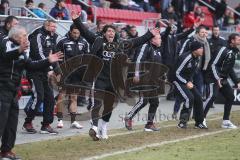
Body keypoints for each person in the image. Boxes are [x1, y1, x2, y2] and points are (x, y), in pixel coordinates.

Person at [71, 11, 160, 140]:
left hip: (114, 80)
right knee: (97, 103)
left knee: (109, 106)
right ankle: (95, 127)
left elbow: (137, 41)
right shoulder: (97, 41)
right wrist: (76, 20)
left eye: (112, 31)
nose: (110, 33)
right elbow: (84, 32)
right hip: (99, 77)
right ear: (104, 33)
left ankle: (103, 127)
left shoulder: (120, 44)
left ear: (115, 34)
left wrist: (150, 34)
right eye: (108, 31)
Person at [0, 25, 63, 160]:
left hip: (13, 91)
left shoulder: (23, 51)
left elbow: (31, 65)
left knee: (11, 123)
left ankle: (6, 151)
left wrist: (48, 61)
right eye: (23, 35)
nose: (26, 37)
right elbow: (5, 56)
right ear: (15, 36)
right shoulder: (5, 42)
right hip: (2, 89)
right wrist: (19, 50)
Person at [23, 20, 60, 134]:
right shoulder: (38, 35)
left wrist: (58, 71)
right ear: (47, 26)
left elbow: (53, 55)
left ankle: (46, 125)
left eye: (55, 27)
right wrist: (49, 68)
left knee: (50, 99)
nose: (55, 29)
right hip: (34, 71)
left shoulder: (51, 37)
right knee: (39, 97)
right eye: (53, 26)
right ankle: (28, 122)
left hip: (44, 72)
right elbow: (39, 54)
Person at [124, 33, 163, 131]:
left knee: (155, 102)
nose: (160, 40)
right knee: (143, 101)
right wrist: (136, 74)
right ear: (152, 40)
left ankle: (149, 124)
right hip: (144, 78)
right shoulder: (145, 46)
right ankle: (129, 117)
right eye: (159, 38)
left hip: (154, 80)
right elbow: (138, 61)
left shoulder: (157, 50)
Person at [203, 33, 240, 129]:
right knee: (212, 96)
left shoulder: (234, 52)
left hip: (222, 79)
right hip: (212, 76)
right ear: (232, 40)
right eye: (238, 39)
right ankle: (201, 119)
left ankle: (226, 121)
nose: (239, 41)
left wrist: (237, 82)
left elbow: (230, 69)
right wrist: (217, 78)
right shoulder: (223, 49)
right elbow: (213, 64)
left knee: (230, 96)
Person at [56, 24, 89, 129]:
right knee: (62, 96)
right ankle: (60, 120)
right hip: (65, 73)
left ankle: (73, 121)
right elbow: (57, 58)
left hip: (77, 75)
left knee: (74, 97)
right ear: (70, 32)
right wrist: (58, 72)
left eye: (78, 33)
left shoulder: (84, 42)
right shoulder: (62, 42)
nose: (76, 35)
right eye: (74, 33)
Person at [173, 41, 207, 129]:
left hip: (186, 81)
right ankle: (182, 122)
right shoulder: (186, 57)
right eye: (201, 48)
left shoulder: (197, 58)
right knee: (189, 98)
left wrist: (190, 81)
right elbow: (176, 73)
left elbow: (191, 72)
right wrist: (185, 82)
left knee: (198, 98)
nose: (202, 50)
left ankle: (199, 123)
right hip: (177, 80)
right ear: (195, 50)